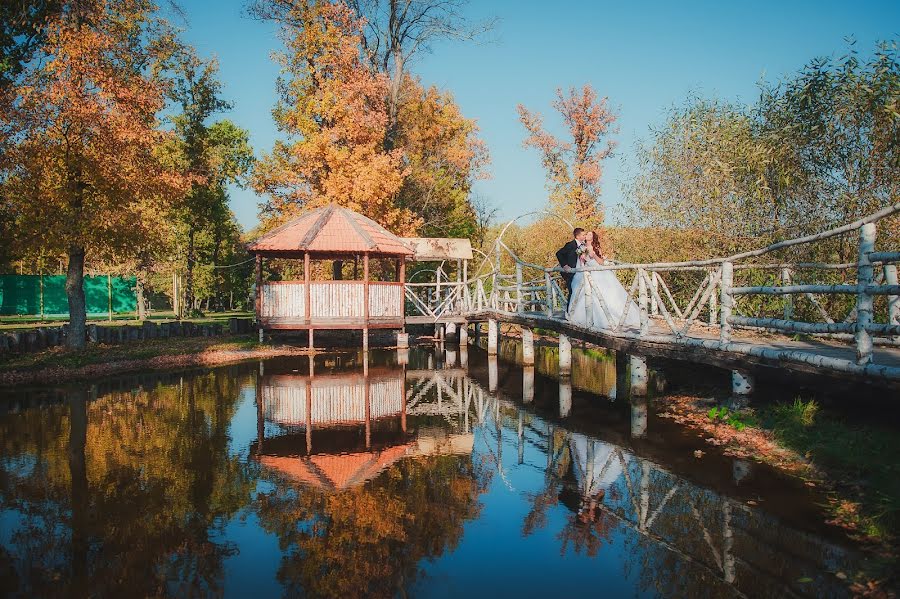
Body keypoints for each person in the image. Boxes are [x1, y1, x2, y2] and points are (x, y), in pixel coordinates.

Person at [566, 229, 640, 330]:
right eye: (586, 234)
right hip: (587, 273)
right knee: (585, 293)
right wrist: (582, 258)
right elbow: (581, 261)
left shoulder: (596, 247)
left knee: (604, 294)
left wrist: (594, 255)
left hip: (598, 271)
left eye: (589, 234)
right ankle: (585, 317)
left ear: (593, 237)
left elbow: (601, 262)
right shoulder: (581, 247)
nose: (587, 235)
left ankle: (611, 317)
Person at [556, 228, 586, 310]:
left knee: (582, 292)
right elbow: (559, 253)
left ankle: (579, 312)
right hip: (570, 273)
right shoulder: (570, 245)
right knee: (572, 292)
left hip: (581, 272)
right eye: (583, 235)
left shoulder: (584, 245)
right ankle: (569, 312)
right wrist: (564, 265)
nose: (585, 236)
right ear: (578, 236)